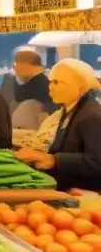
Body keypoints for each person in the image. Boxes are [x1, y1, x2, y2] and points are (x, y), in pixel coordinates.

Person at [15, 58, 101, 192]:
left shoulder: (90, 116)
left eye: (57, 82)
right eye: (50, 82)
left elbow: (97, 161)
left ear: (80, 85)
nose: (50, 87)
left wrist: (54, 160)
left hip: (82, 194)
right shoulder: (71, 110)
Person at [11, 48, 57, 130]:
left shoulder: (40, 84)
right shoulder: (40, 82)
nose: (15, 70)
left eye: (17, 65)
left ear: (26, 65)